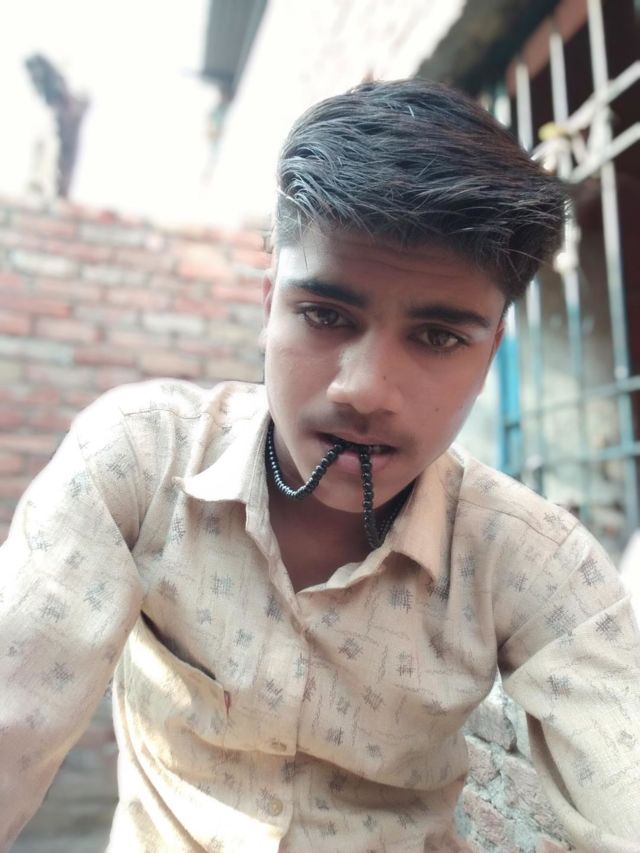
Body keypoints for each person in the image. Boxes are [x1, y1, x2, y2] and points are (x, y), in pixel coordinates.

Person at [1, 79, 639, 852]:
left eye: (438, 337)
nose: (363, 389)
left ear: (491, 351)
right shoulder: (138, 461)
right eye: (325, 315)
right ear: (269, 303)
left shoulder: (533, 559)